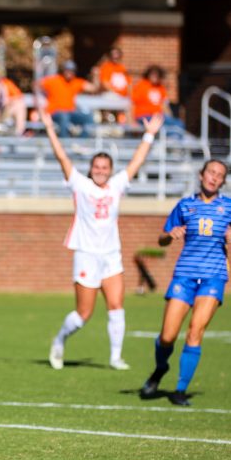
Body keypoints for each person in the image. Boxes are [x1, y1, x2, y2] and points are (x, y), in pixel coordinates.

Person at [43, 105, 165, 371]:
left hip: (111, 255)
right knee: (83, 314)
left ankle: (115, 357)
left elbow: (136, 163)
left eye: (105, 167)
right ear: (91, 169)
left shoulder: (117, 184)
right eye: (96, 167)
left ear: (110, 170)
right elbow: (63, 158)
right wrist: (50, 128)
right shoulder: (81, 184)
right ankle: (59, 340)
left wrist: (149, 136)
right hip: (86, 254)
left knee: (116, 305)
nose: (100, 170)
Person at [139, 160, 231, 406]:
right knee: (167, 336)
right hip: (184, 275)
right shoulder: (185, 205)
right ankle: (160, 370)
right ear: (201, 175)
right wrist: (170, 235)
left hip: (214, 276)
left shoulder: (230, 206)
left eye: (220, 175)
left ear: (223, 181)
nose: (214, 177)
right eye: (211, 172)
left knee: (195, 331)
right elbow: (162, 238)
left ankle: (180, 390)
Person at [39, 60, 97, 137]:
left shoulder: (76, 82)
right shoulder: (54, 80)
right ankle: (65, 142)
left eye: (71, 71)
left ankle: (82, 141)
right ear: (63, 70)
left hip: (71, 112)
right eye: (67, 70)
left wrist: (96, 75)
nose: (69, 73)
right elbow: (37, 84)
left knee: (88, 117)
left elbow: (94, 88)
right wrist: (40, 97)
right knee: (64, 116)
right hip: (55, 112)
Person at [130, 66, 186, 138]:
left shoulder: (160, 88)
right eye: (153, 74)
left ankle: (175, 143)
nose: (155, 77)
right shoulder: (141, 86)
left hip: (159, 116)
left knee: (178, 123)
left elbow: (164, 106)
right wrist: (132, 121)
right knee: (163, 127)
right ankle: (171, 140)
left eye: (157, 75)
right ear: (148, 75)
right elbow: (132, 104)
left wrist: (170, 118)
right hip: (144, 116)